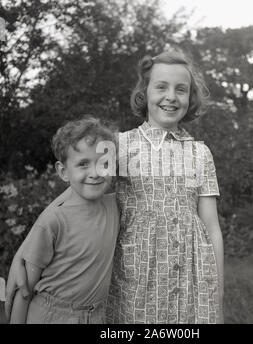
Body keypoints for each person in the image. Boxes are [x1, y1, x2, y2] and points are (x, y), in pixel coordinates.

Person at [6, 50, 224, 324]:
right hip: (135, 277)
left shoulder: (200, 153)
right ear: (145, 93)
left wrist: (218, 292)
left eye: (181, 89)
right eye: (161, 87)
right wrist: (23, 252)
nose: (171, 96)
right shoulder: (119, 145)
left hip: (189, 275)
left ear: (190, 97)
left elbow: (211, 228)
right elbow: (73, 192)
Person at [8, 117, 119, 323]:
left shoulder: (116, 206)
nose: (95, 173)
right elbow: (25, 289)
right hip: (52, 315)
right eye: (83, 164)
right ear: (63, 172)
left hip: (96, 316)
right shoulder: (53, 221)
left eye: (104, 163)